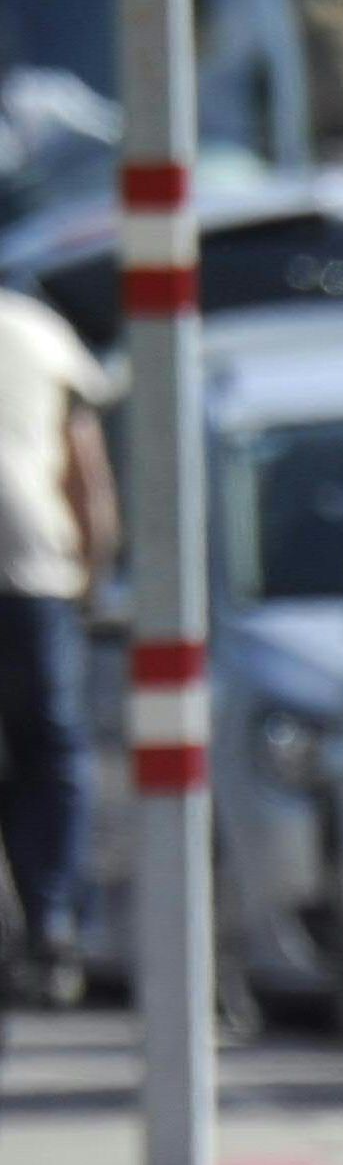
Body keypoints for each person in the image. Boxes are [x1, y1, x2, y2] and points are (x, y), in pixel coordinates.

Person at [0, 286, 116, 1007]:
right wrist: (93, 584)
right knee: (52, 747)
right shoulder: (39, 332)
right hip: (32, 566)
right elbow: (86, 478)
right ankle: (53, 918)